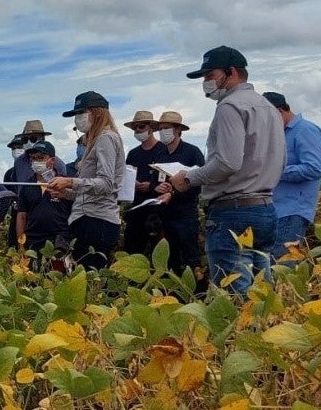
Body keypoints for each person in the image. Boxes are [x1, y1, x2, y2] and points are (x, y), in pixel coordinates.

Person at [170, 46, 285, 294]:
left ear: (231, 72)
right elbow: (280, 161)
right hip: (265, 208)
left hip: (234, 212)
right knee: (263, 294)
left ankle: (243, 334)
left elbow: (227, 163)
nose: (206, 83)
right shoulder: (268, 108)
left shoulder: (229, 106)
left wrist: (189, 178)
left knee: (234, 296)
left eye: (210, 76)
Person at [47, 91, 125, 270]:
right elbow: (90, 190)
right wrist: (66, 193)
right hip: (88, 218)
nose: (77, 119)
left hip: (98, 221)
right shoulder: (96, 140)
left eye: (81, 113)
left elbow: (107, 184)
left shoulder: (106, 138)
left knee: (91, 279)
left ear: (97, 112)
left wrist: (70, 182)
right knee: (84, 276)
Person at [262, 92, 321, 261]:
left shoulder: (305, 130)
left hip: (293, 211)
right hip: (277, 210)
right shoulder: (280, 133)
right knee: (274, 263)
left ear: (279, 111)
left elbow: (313, 168)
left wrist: (274, 171)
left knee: (283, 265)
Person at [151, 111, 207, 281]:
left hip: (185, 216)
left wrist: (172, 193)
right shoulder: (160, 155)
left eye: (166, 128)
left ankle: (199, 294)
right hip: (165, 217)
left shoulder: (192, 152)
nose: (162, 132)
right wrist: (158, 187)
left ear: (178, 130)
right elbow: (154, 181)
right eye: (160, 129)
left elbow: (199, 182)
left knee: (191, 259)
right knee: (170, 260)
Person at [16, 141, 72, 265]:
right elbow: (21, 216)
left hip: (59, 241)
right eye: (33, 158)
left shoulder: (64, 183)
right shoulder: (26, 185)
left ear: (52, 160)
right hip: (33, 241)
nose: (36, 162)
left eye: (41, 158)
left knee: (58, 278)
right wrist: (21, 245)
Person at [123, 110, 166, 257]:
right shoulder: (133, 154)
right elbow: (126, 175)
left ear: (151, 128)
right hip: (136, 208)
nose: (137, 130)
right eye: (135, 128)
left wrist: (151, 186)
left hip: (158, 210)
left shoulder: (163, 151)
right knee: (132, 251)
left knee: (159, 253)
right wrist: (132, 183)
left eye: (141, 127)